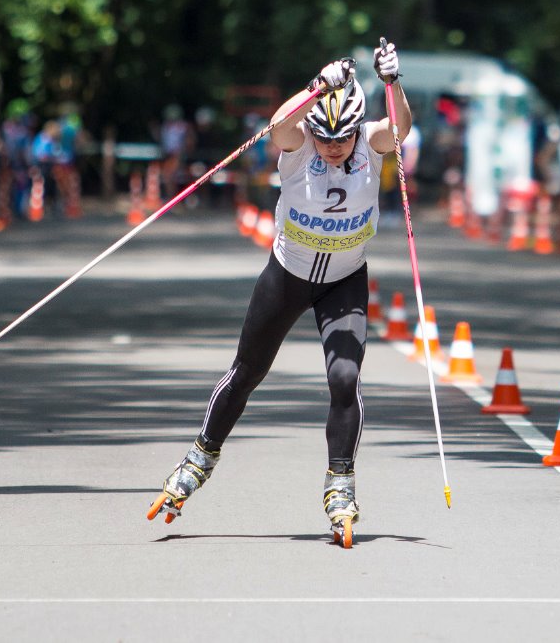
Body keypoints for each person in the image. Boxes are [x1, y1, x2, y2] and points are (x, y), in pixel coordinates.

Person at [147, 41, 409, 548]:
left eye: (343, 139)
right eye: (324, 137)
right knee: (248, 372)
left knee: (345, 375)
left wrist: (392, 83)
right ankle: (196, 462)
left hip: (344, 279)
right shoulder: (297, 146)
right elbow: (280, 122)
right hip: (287, 277)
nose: (334, 146)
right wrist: (316, 88)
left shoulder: (371, 143)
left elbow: (401, 129)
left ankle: (340, 486)